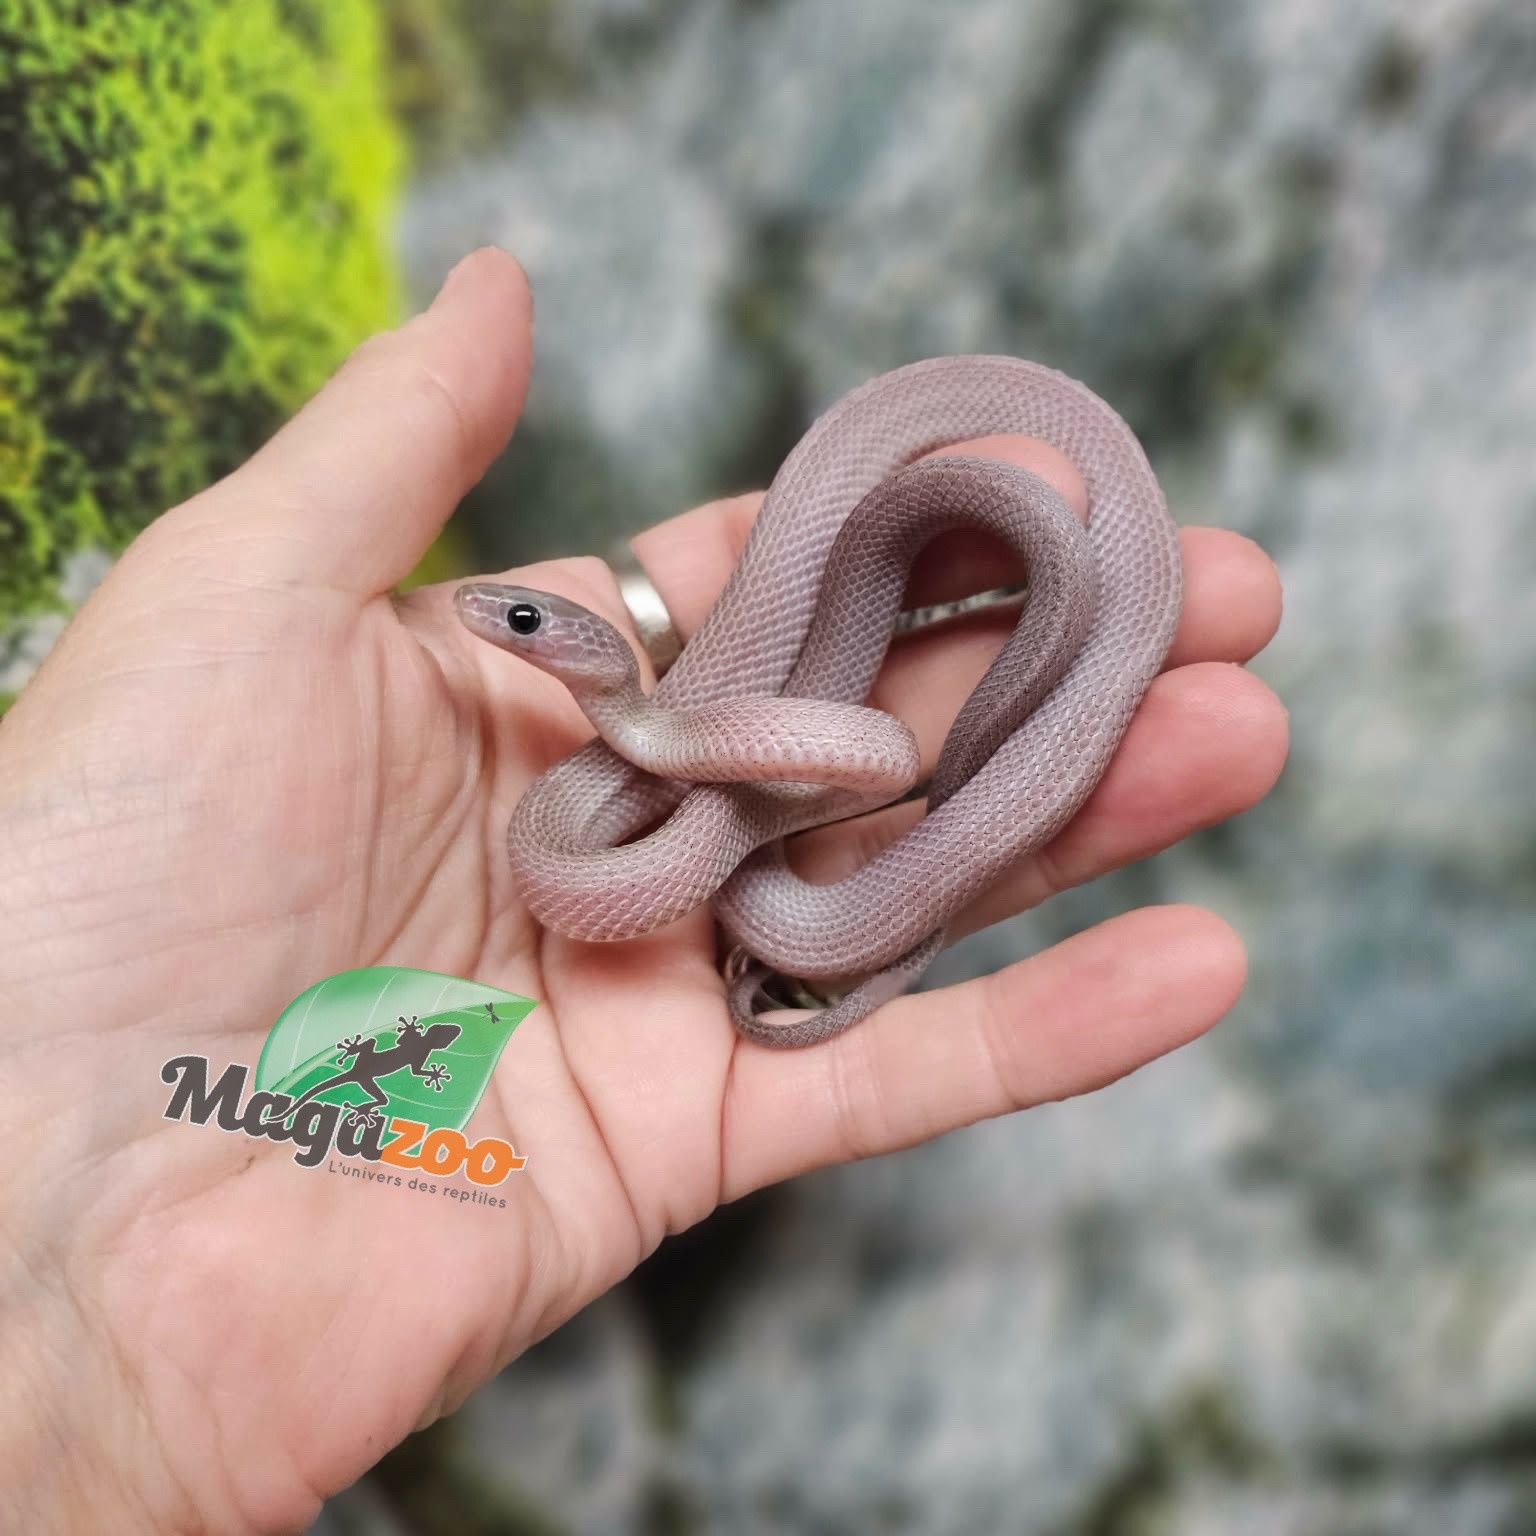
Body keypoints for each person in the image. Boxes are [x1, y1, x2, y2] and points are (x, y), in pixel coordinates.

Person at [0, 248, 1286, 1532]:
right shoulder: (586, 811)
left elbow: (867, 756)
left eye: (520, 625)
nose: (500, 625)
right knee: (831, 829)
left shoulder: (647, 742)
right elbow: (855, 760)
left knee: (989, 644)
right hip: (718, 779)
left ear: (580, 657)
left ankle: (1050, 611)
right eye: (516, 624)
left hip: (736, 737)